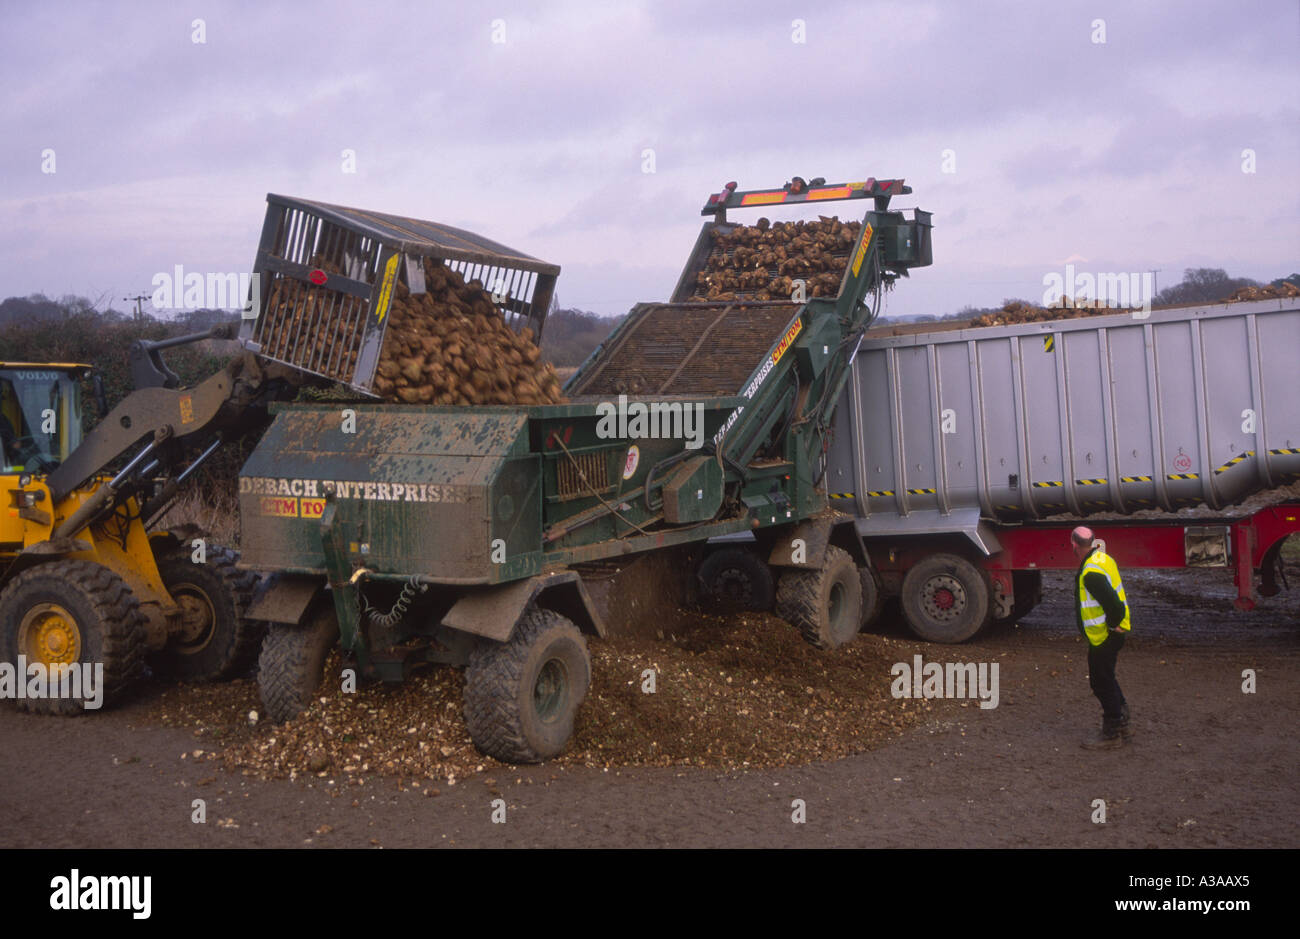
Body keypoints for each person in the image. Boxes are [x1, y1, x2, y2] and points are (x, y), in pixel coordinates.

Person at [1070, 526, 1133, 749]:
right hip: (1111, 634)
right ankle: (1122, 718)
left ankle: (1112, 733)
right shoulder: (1103, 559)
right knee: (1107, 676)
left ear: (1074, 545)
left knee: (1100, 682)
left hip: (1104, 637)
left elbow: (1114, 606)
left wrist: (1113, 626)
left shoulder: (1090, 574)